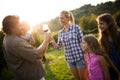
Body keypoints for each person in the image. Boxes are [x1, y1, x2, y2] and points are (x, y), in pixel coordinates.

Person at [2, 15, 50, 80]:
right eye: (19, 24)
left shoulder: (6, 38)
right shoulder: (16, 42)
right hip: (32, 76)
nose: (21, 27)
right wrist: (46, 40)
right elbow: (39, 55)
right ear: (12, 28)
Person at [50, 10, 86, 80]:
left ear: (68, 18)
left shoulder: (76, 28)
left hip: (80, 58)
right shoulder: (60, 32)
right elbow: (58, 48)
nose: (60, 20)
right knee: (77, 78)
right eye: (59, 18)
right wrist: (51, 39)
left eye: (62, 18)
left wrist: (86, 57)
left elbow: (83, 43)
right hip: (69, 60)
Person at [96, 13, 120, 80]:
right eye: (98, 24)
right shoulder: (102, 40)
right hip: (113, 68)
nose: (99, 26)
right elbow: (108, 58)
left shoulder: (118, 35)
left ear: (109, 23)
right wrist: (118, 72)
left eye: (101, 23)